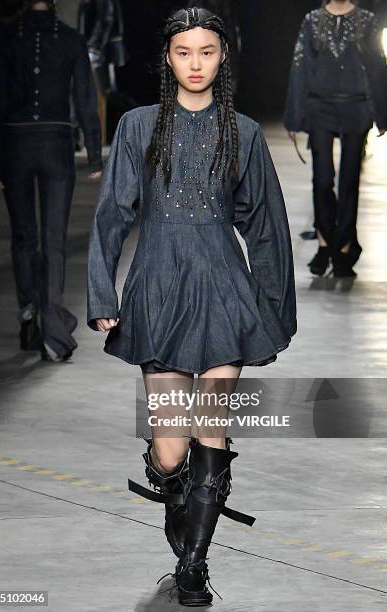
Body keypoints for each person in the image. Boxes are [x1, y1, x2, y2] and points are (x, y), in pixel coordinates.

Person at [87, 6, 297, 606]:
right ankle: (182, 528)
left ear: (222, 56)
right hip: (159, 288)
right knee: (170, 448)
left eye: (206, 51)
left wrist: (272, 305)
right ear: (168, 59)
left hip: (222, 291)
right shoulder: (138, 126)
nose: (196, 63)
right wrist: (103, 293)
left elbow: (266, 225)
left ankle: (193, 566)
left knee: (212, 430)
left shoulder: (245, 132)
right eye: (184, 52)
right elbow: (111, 216)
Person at [0, 0, 103, 362]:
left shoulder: (6, 37)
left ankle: (28, 318)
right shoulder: (70, 39)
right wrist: (96, 154)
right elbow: (84, 98)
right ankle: (52, 329)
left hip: (16, 143)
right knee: (54, 241)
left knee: (24, 236)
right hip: (56, 144)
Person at [284, 0, 387, 278]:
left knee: (349, 180)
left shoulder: (366, 20)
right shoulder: (312, 20)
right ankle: (324, 242)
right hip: (320, 107)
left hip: (356, 106)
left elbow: (378, 65)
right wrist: (294, 115)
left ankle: (343, 247)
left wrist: (382, 113)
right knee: (322, 179)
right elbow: (300, 66)